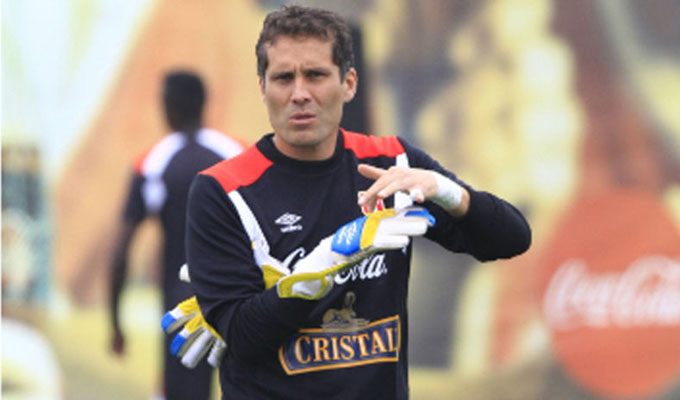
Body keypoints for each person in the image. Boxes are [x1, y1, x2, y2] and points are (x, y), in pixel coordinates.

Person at [171, 5, 531, 399]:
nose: (299, 94)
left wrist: (449, 191)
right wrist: (320, 266)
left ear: (349, 83)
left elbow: (511, 239)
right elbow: (240, 336)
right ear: (262, 88)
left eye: (315, 75)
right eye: (283, 78)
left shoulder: (392, 163)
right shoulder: (223, 188)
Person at [109, 70, 244, 399]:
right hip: (242, 300)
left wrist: (115, 322)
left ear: (168, 106)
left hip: (184, 307)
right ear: (203, 102)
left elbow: (121, 251)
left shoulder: (153, 163)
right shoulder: (237, 155)